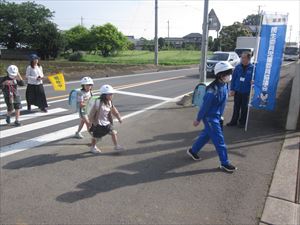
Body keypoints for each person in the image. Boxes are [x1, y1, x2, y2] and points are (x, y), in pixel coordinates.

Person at [187, 61, 237, 173]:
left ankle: (193, 151)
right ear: (220, 75)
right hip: (210, 118)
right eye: (227, 73)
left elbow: (222, 101)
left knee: (206, 136)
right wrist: (198, 119)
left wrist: (220, 116)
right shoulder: (211, 90)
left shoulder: (225, 85)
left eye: (230, 73)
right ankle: (225, 163)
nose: (230, 76)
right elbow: (204, 107)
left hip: (217, 116)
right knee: (220, 141)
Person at [88, 84, 124, 154]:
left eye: (112, 94)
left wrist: (119, 118)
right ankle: (92, 147)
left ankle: (116, 146)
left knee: (113, 132)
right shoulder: (98, 103)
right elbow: (91, 114)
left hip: (107, 123)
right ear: (104, 95)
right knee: (96, 137)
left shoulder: (109, 102)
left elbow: (114, 111)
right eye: (110, 94)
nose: (112, 96)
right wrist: (90, 122)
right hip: (98, 124)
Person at [227, 52, 254, 128]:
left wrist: (253, 82)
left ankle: (242, 122)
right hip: (237, 91)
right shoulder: (237, 67)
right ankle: (234, 121)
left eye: (244, 57)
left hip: (246, 91)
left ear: (248, 58)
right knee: (236, 107)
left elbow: (256, 80)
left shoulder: (253, 68)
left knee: (244, 107)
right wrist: (232, 89)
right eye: (241, 57)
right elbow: (234, 79)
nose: (242, 59)